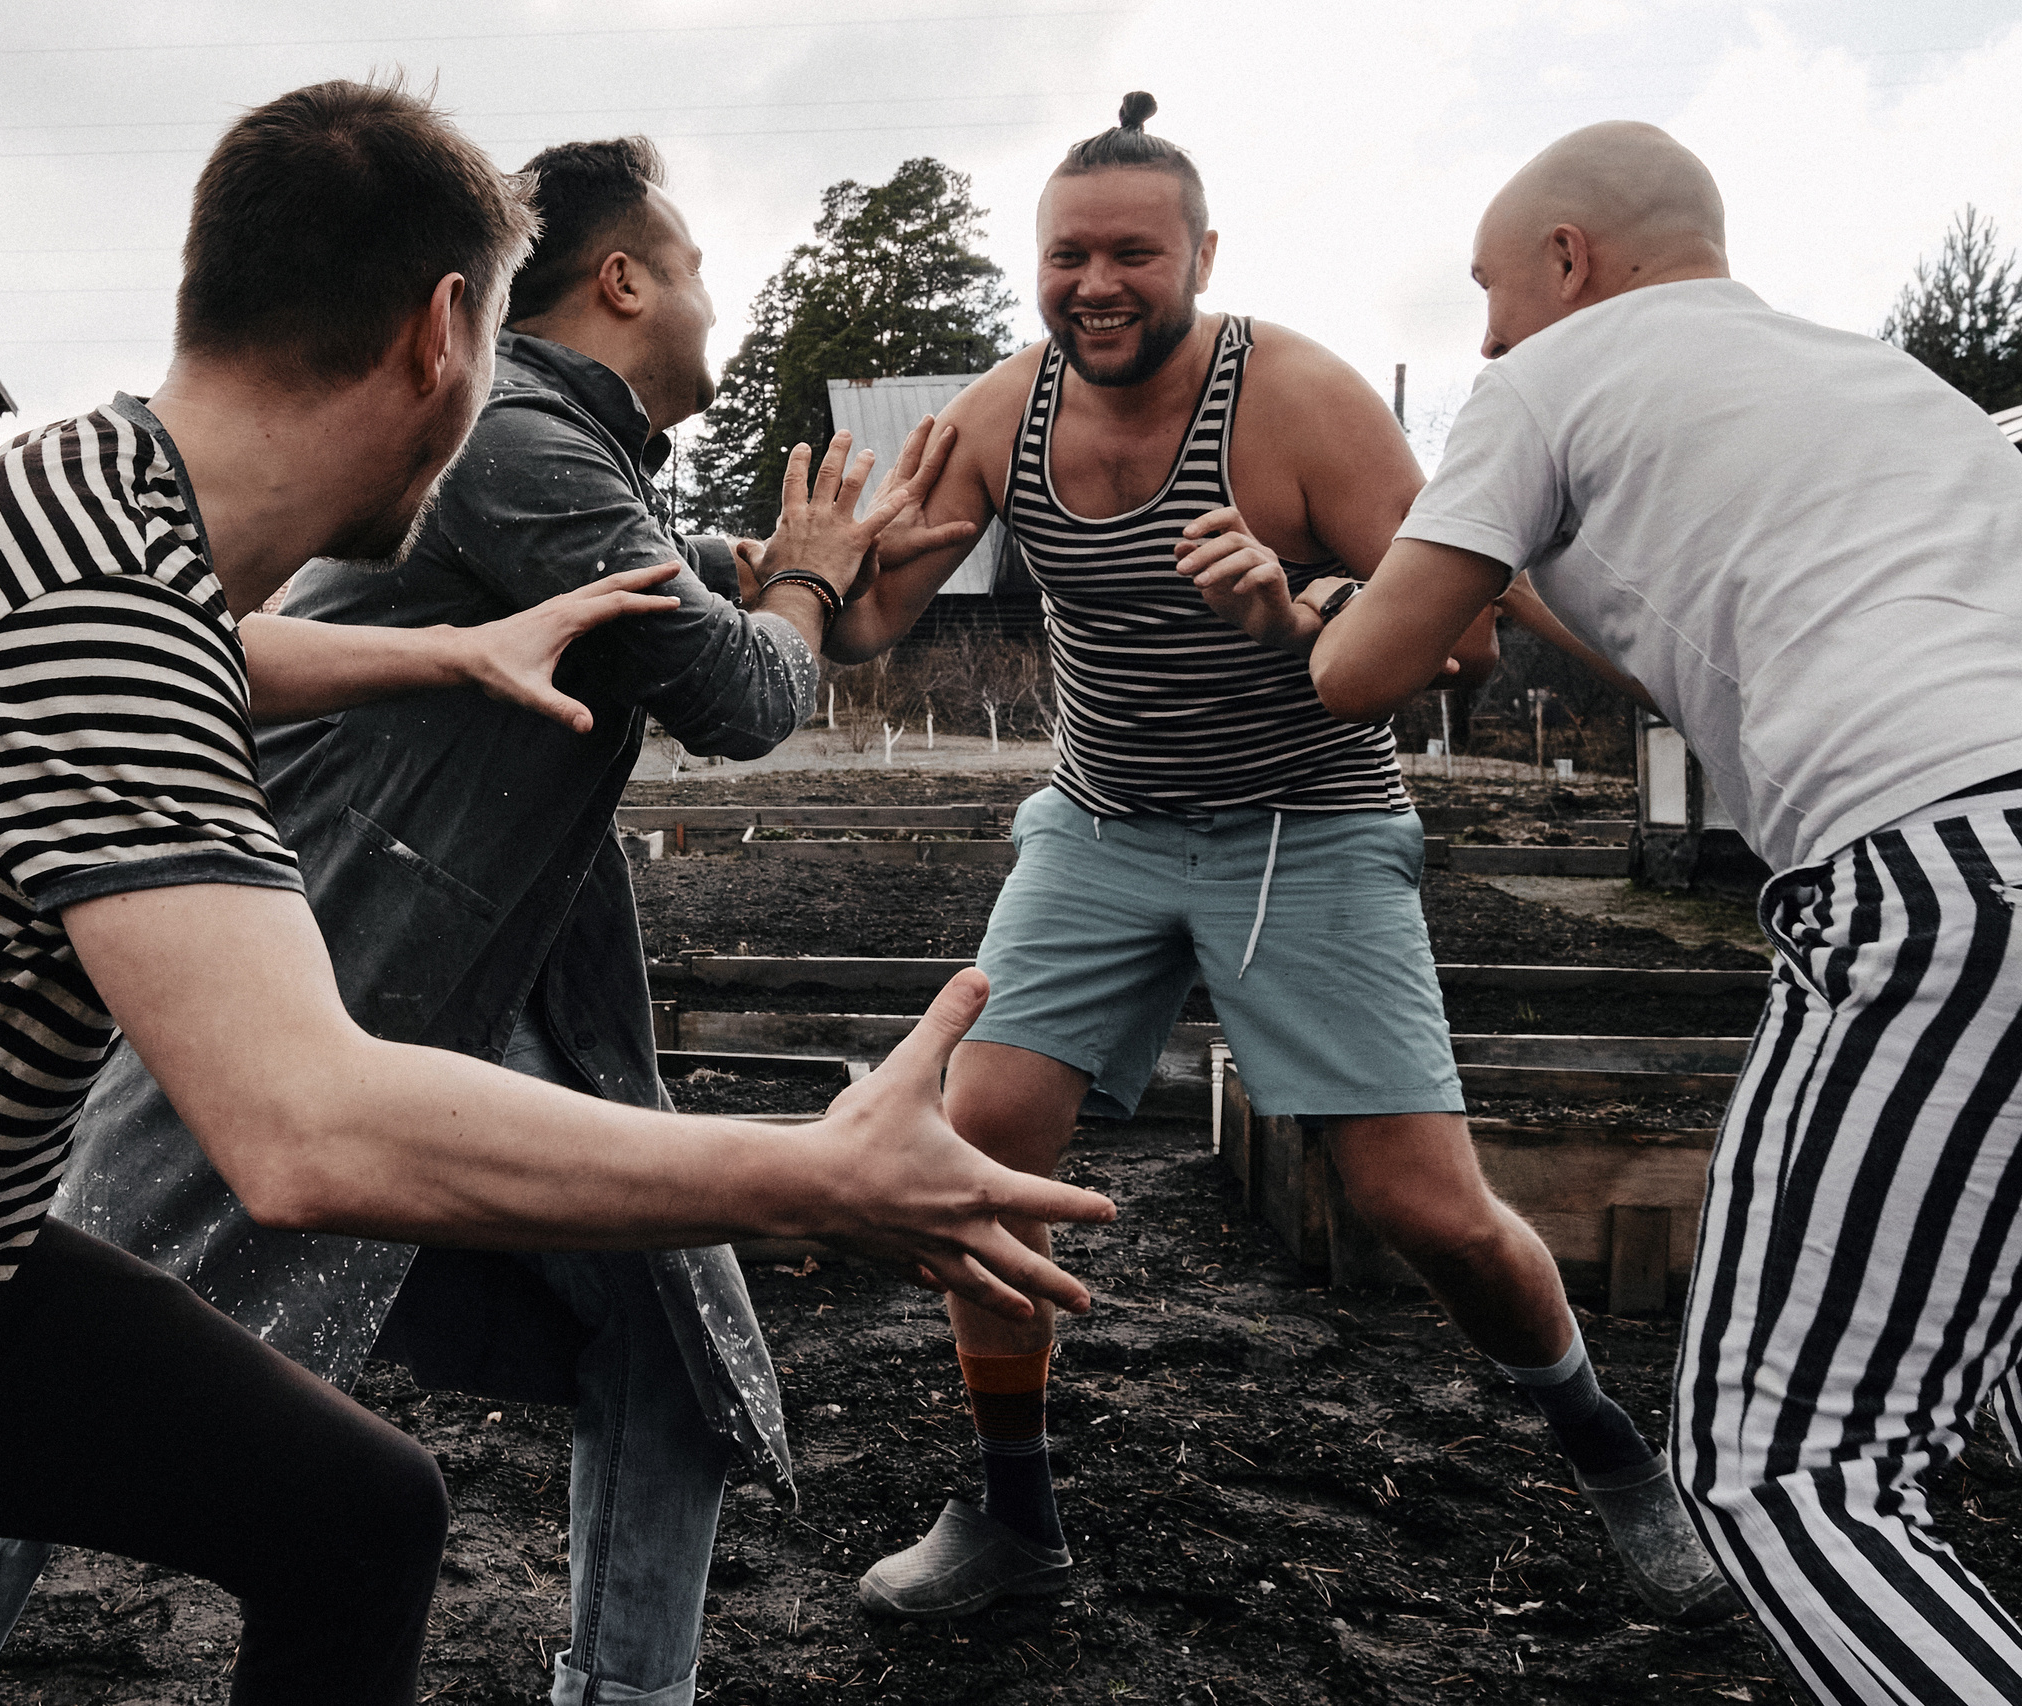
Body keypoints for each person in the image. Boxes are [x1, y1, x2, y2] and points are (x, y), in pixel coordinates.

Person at [0, 81, 1117, 1706]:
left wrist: (442, 647)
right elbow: (310, 1134)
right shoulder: (94, 617)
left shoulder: (88, 491)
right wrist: (811, 1172)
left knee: (359, 1516)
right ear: (448, 330)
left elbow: (211, 649)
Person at [0, 135, 968, 1706]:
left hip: (482, 1001)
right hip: (292, 970)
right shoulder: (512, 428)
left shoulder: (550, 454)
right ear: (619, 277)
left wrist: (793, 568)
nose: (715, 293)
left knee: (664, 1358)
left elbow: (655, 582)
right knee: (39, 1368)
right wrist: (794, 588)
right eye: (701, 261)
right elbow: (736, 687)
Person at [829, 93, 1733, 1624]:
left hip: (1305, 833)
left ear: (1202, 254)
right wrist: (818, 572)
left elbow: (1466, 641)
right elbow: (864, 633)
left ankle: (1617, 1459)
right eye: (1068, 256)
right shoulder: (999, 417)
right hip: (1100, 829)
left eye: (1133, 252)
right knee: (970, 1160)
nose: (1096, 283)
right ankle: (1009, 1518)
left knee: (1426, 1207)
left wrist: (1293, 617)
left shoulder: (1298, 403)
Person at [1302, 119, 2022, 1706]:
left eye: (1493, 292)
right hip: (1993, 838)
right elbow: (1697, 660)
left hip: (1941, 890)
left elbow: (1362, 675)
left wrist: (1329, 610)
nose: (1484, 333)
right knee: (1989, 1339)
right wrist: (1512, 567)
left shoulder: (1545, 381)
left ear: (1572, 260)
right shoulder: (1897, 387)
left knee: (1789, 1470)